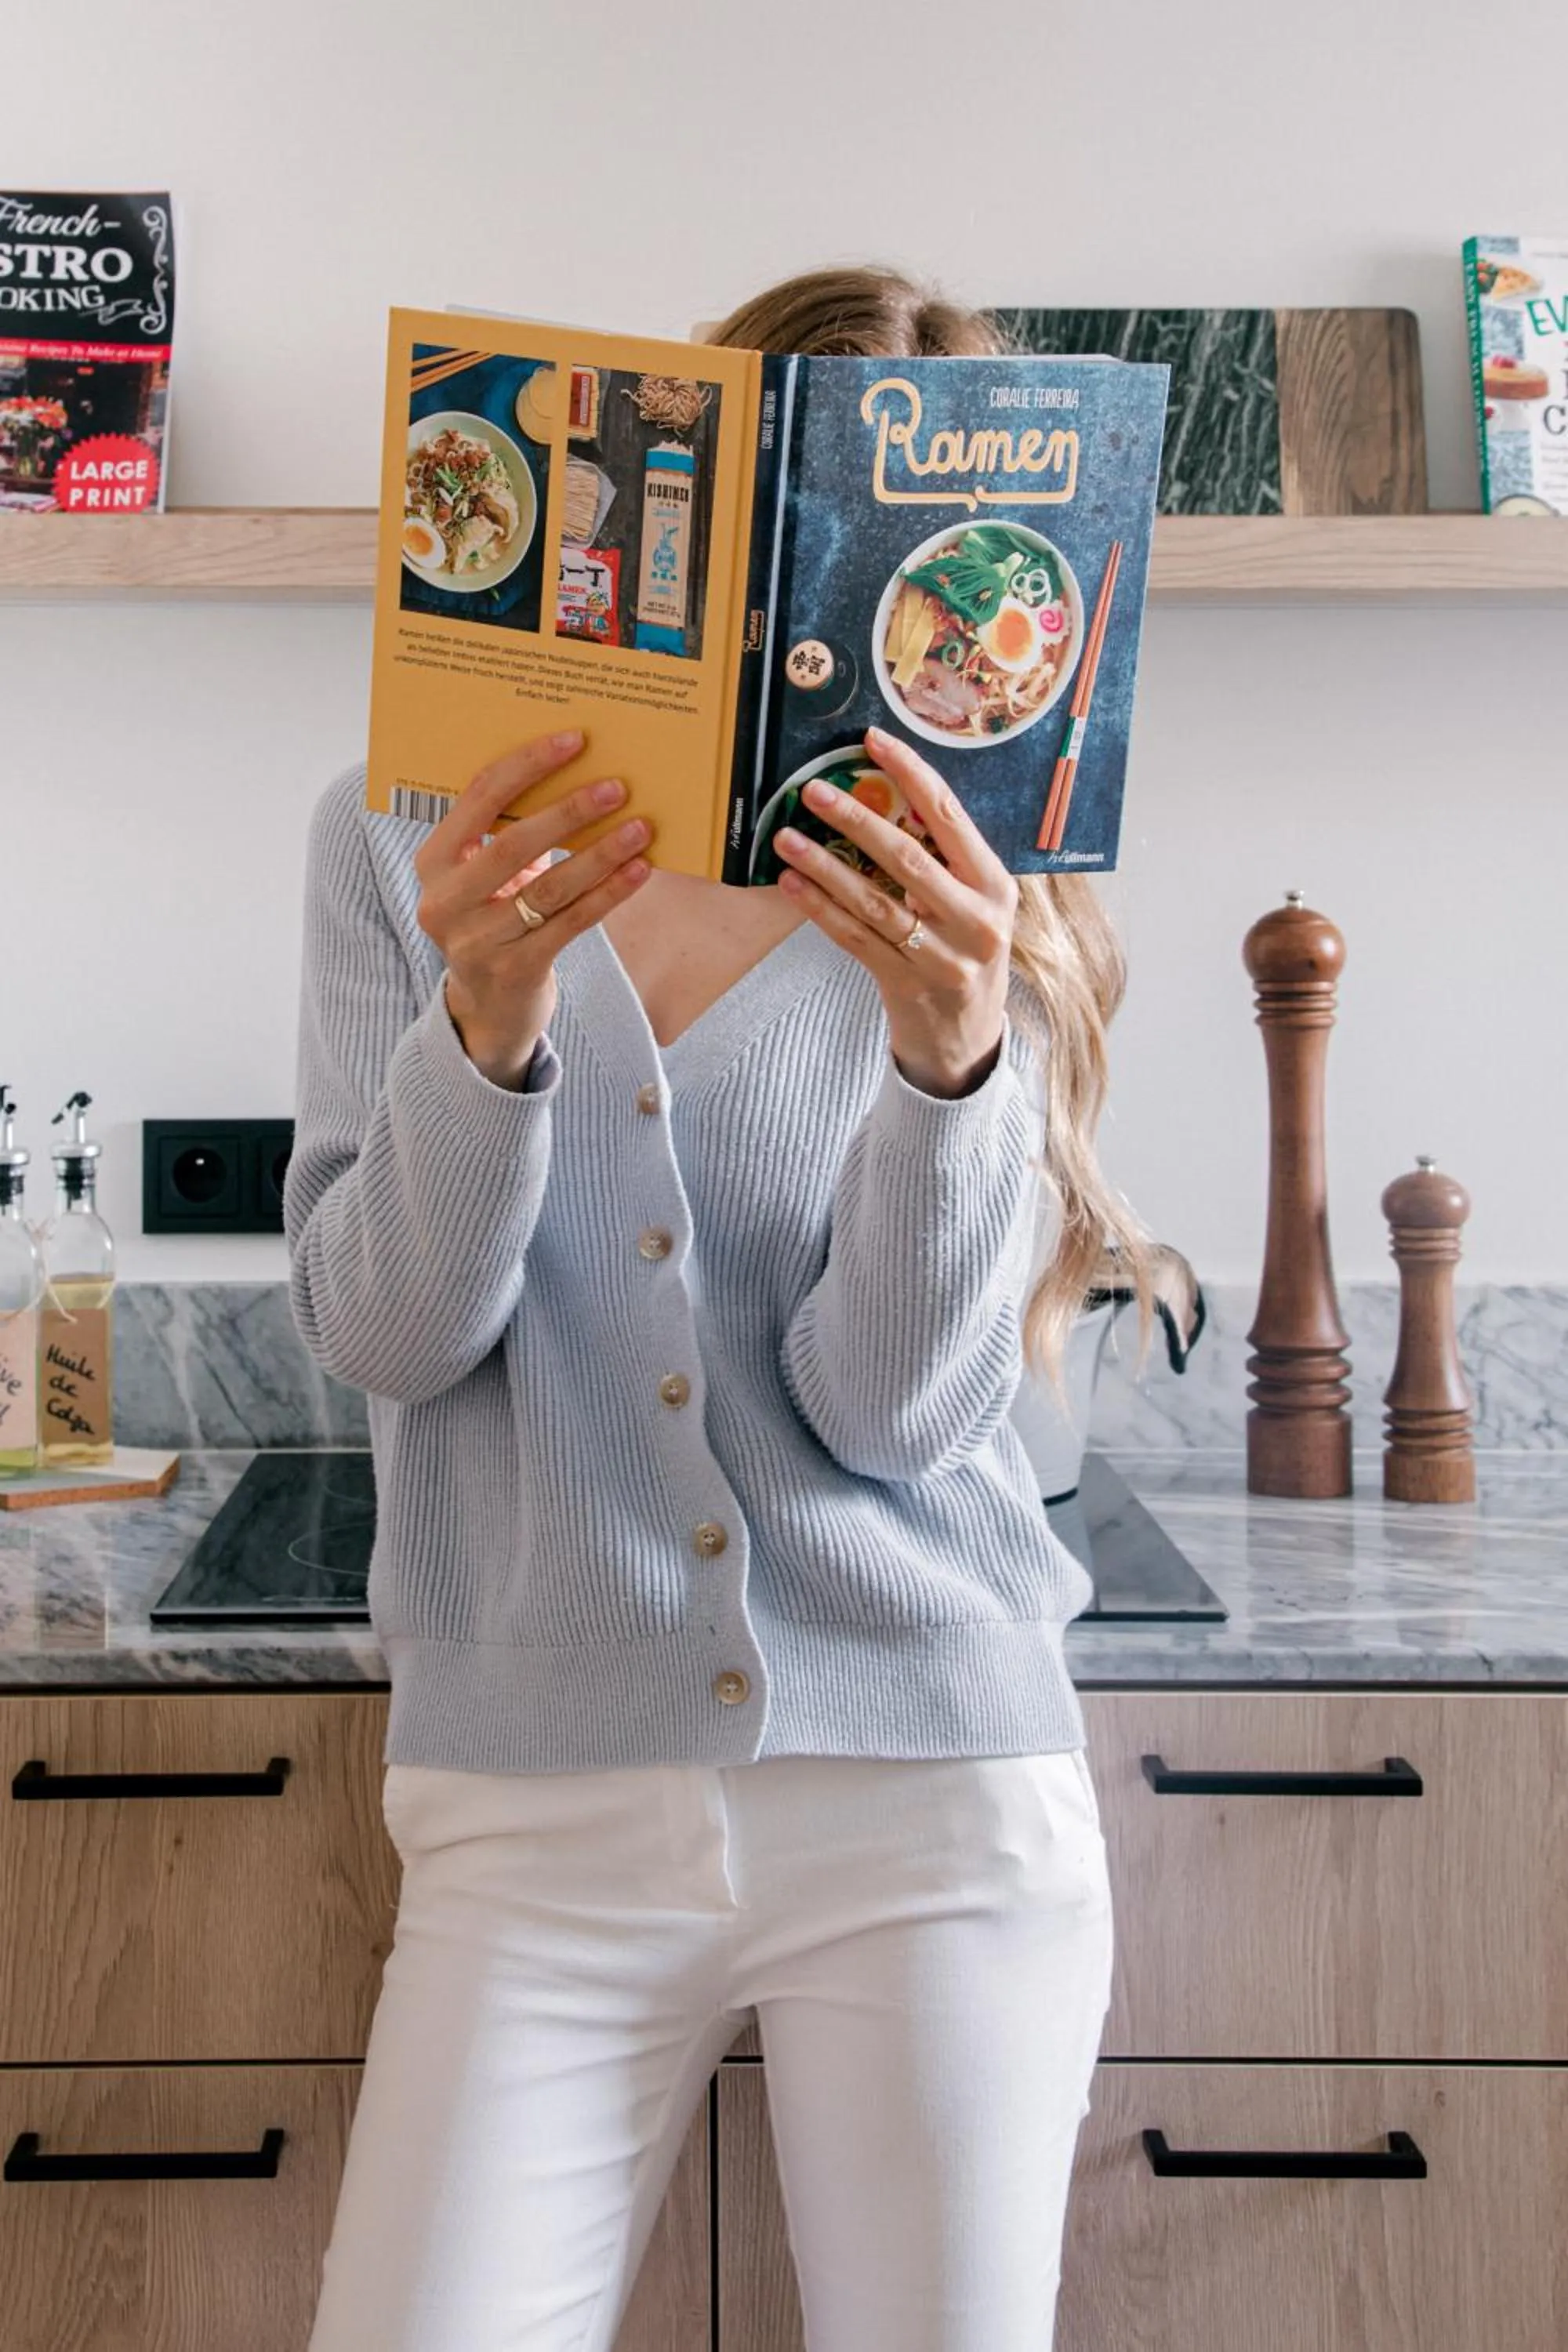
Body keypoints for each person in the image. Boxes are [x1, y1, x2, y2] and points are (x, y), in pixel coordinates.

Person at [289, 264, 1153, 2352]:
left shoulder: (983, 893)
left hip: (934, 1791)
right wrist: (484, 1029)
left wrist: (955, 1060)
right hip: (534, 1808)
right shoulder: (411, 836)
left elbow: (897, 1419)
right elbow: (388, 1333)